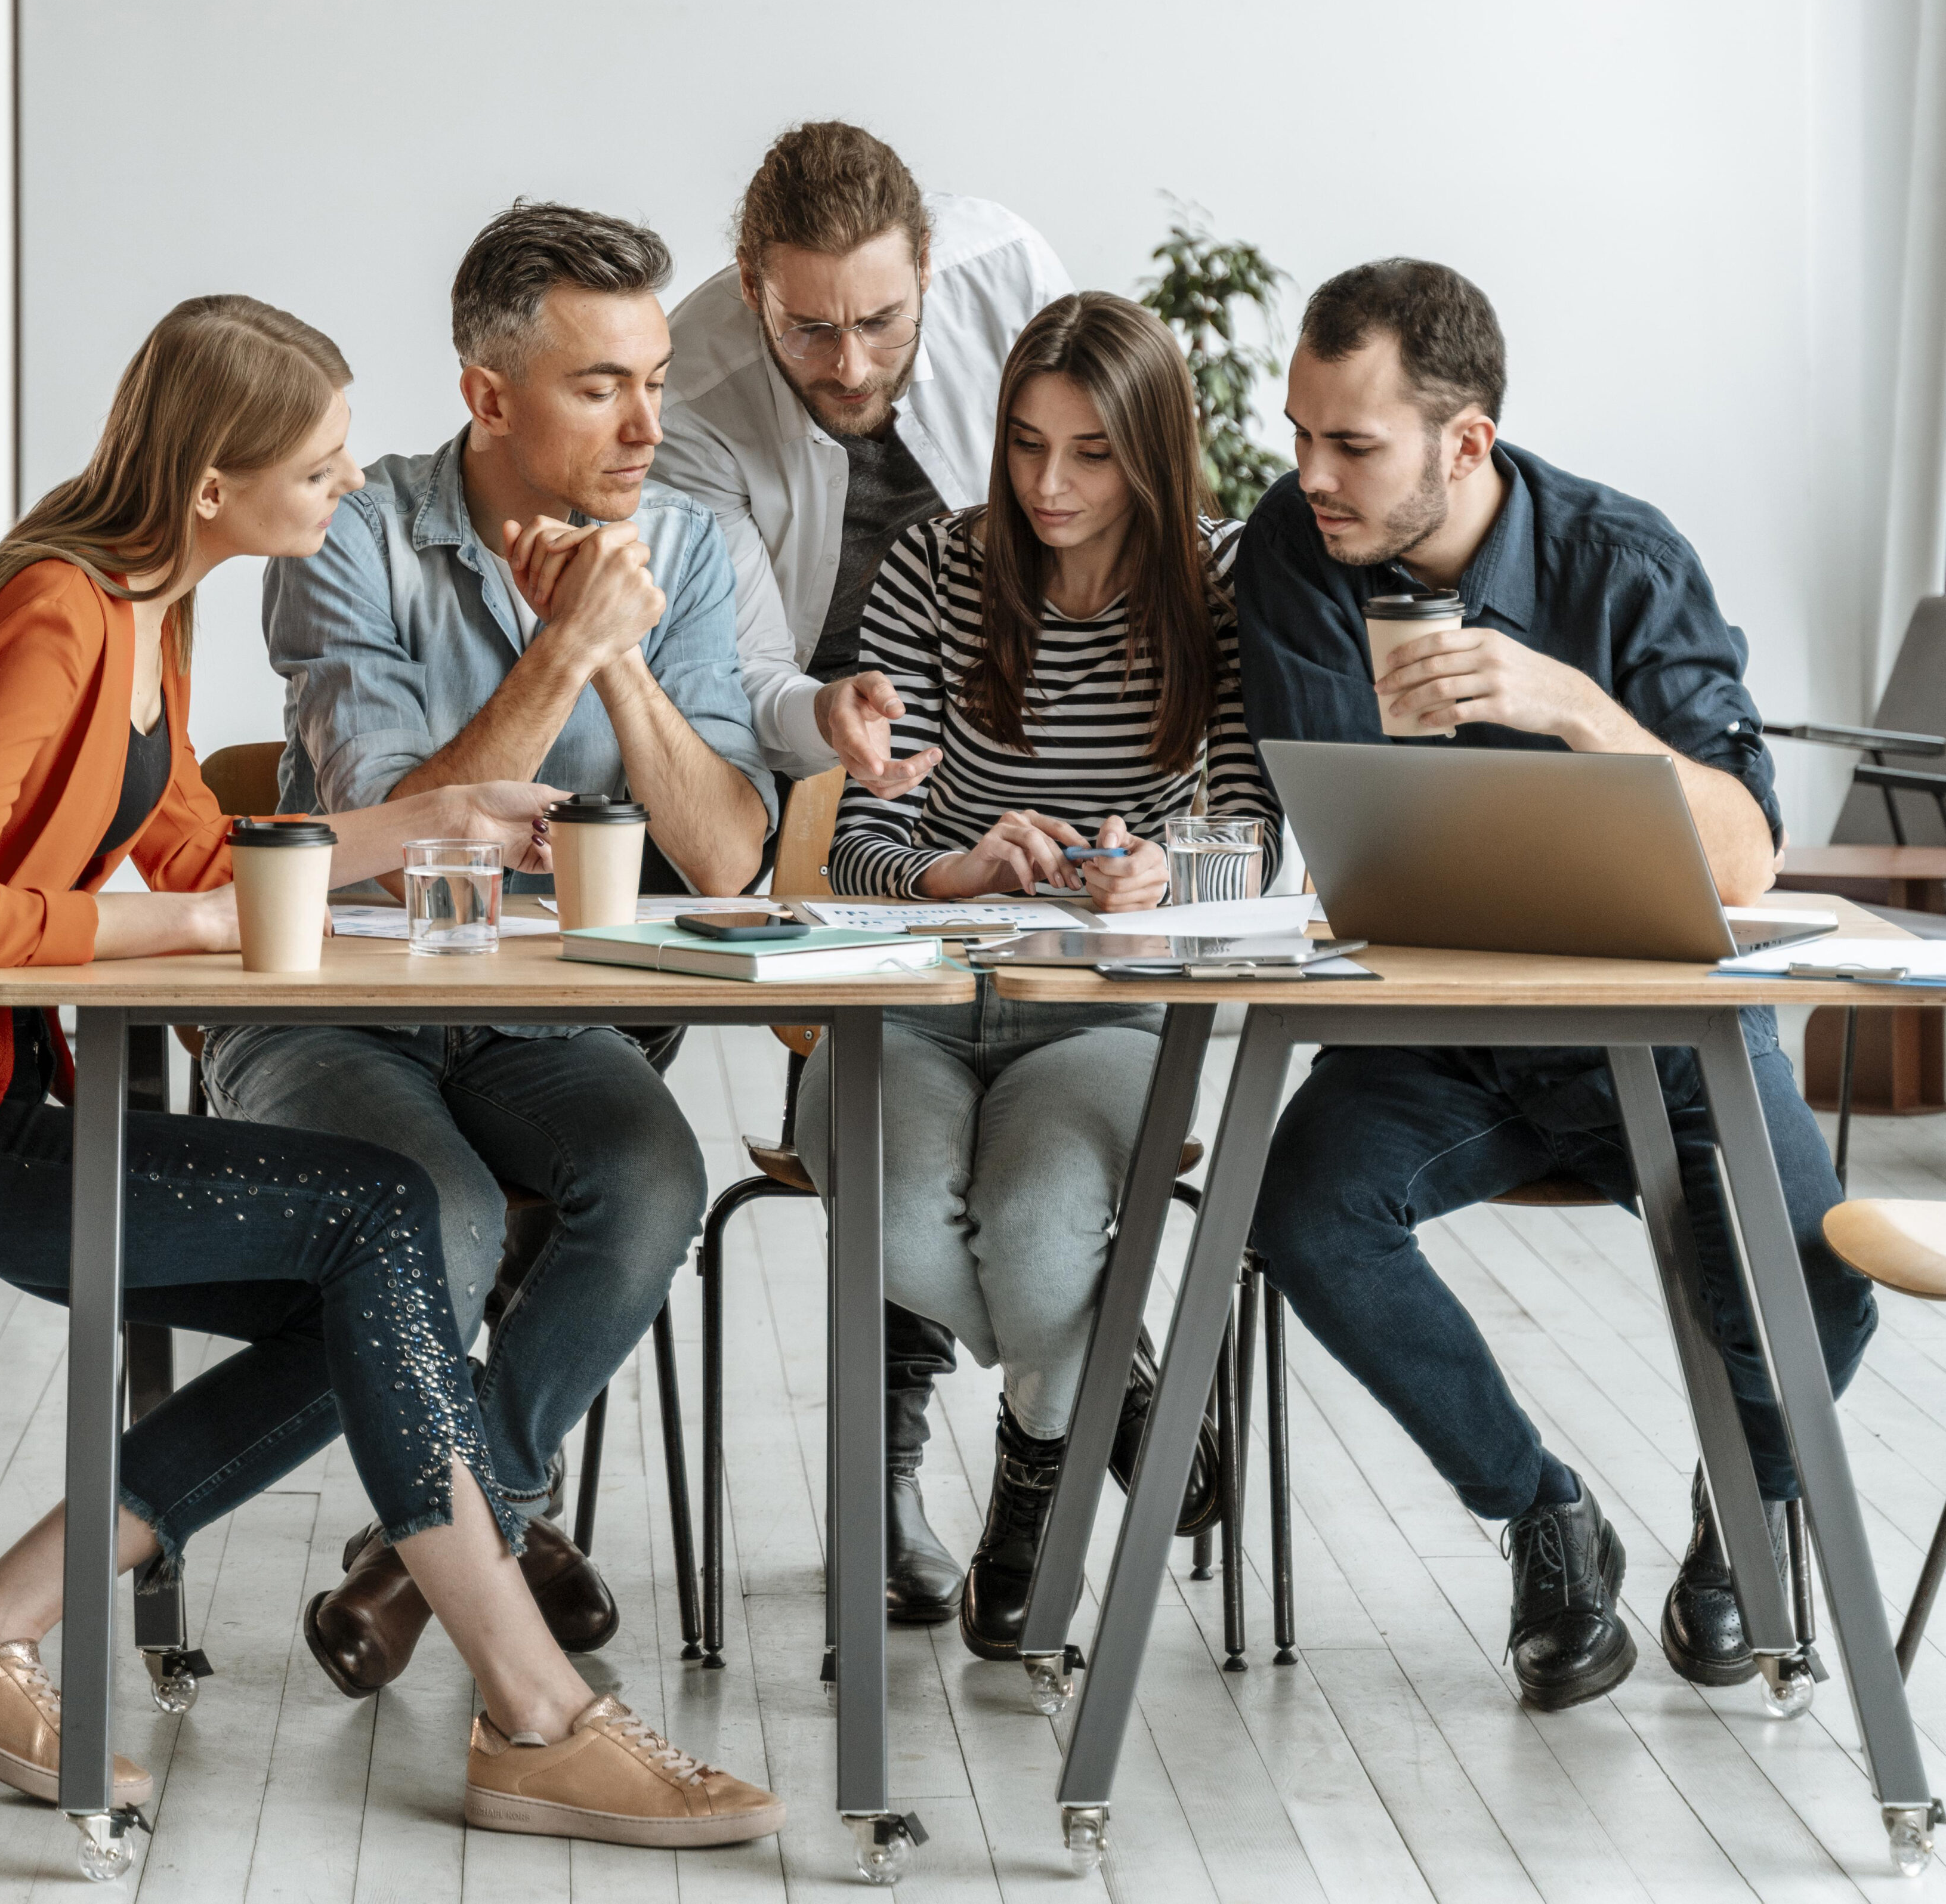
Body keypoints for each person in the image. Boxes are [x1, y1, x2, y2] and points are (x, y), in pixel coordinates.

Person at [0, 295, 782, 1849]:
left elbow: (199, 844)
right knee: (379, 1225)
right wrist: (207, 920)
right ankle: (539, 1712)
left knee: (377, 1265)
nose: (353, 488)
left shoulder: (143, 609)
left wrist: (415, 826)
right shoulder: (51, 617)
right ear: (214, 482)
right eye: (324, 465)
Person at [1234, 257, 1876, 1711]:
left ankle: (1740, 1513)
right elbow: (1343, 837)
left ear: (1466, 444)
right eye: (1299, 434)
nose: (1311, 475)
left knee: (1821, 1286)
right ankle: (1542, 1517)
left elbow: (1748, 859)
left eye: (1352, 443)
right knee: (1305, 1213)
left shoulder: (1621, 562)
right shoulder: (1295, 549)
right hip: (1445, 1034)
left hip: (1657, 1030)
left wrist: (1574, 708)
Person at [203, 206, 773, 1698]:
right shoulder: (352, 530)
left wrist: (624, 648)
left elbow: (724, 856)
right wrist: (558, 651)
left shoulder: (690, 550)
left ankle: (456, 1533)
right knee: (436, 1204)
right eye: (603, 385)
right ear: (488, 395)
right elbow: (373, 828)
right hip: (335, 1003)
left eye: (656, 376)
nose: (652, 421)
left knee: (652, 1178)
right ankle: (503, 1539)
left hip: (535, 1013)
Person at [790, 291, 1274, 1659]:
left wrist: (1162, 879)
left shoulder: (1221, 583)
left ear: (1154, 452)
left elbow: (1254, 841)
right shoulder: (936, 568)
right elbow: (862, 844)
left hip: (1107, 1008)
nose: (1049, 486)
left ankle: (1030, 1501)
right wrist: (956, 870)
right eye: (1023, 445)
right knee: (884, 1216)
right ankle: (1117, 1384)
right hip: (919, 998)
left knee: (1049, 1231)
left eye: (1091, 454)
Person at [656, 119, 1073, 1623]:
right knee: (880, 1093)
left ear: (929, 277)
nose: (846, 364)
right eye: (809, 329)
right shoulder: (694, 381)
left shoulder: (1009, 267)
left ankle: (1075, 1411)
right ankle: (903, 1478)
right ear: (752, 289)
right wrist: (824, 725)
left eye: (880, 322)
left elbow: (1095, 488)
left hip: (1030, 734)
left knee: (993, 1114)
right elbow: (739, 664)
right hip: (829, 772)